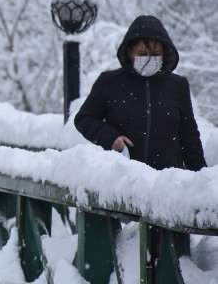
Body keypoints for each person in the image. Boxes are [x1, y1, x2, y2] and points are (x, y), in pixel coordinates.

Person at [74, 15, 205, 268]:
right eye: (143, 51)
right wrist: (111, 138)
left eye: (155, 52)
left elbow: (190, 135)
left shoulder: (177, 86)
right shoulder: (109, 83)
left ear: (165, 53)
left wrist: (202, 181)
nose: (149, 57)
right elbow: (85, 119)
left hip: (170, 191)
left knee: (173, 265)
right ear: (130, 51)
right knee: (127, 264)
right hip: (124, 191)